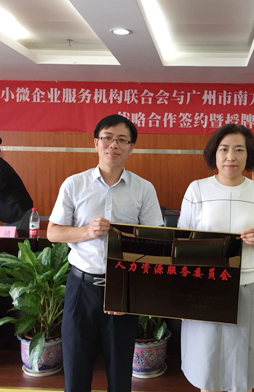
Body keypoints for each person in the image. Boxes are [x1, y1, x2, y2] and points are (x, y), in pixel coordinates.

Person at [47, 114, 163, 392]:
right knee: (76, 366)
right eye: (108, 138)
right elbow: (53, 232)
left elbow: (155, 242)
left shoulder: (144, 189)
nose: (114, 145)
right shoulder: (74, 184)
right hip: (81, 286)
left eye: (122, 140)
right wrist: (87, 231)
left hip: (123, 287)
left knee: (119, 370)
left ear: (131, 147)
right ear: (96, 143)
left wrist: (126, 286)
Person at [177, 124, 254, 392]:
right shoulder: (197, 189)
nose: (231, 156)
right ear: (214, 153)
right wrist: (182, 295)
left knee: (242, 360)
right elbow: (182, 243)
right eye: (224, 149)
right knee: (206, 360)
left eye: (239, 150)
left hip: (246, 284)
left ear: (248, 155)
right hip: (205, 284)